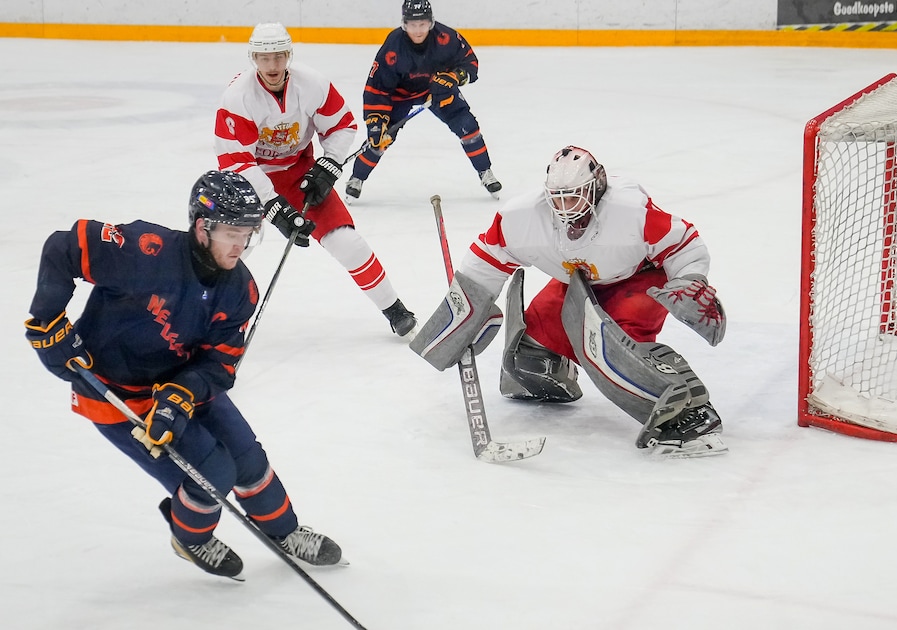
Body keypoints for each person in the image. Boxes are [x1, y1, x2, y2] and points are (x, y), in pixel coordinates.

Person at [23, 171, 345, 580]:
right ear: (201, 227)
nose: (240, 245)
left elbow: (221, 364)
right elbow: (63, 247)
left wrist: (183, 391)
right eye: (231, 232)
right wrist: (47, 319)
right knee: (212, 476)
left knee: (248, 458)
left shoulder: (239, 290)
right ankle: (190, 537)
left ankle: (285, 531)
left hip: (182, 385)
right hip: (115, 393)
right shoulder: (145, 251)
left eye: (248, 233)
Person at [410, 146, 729, 458]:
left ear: (598, 186)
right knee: (528, 355)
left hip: (639, 281)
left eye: (575, 195)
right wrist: (462, 317)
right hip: (579, 282)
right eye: (558, 197)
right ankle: (556, 372)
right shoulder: (522, 217)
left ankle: (689, 407)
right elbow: (484, 264)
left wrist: (689, 281)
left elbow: (684, 242)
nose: (566, 206)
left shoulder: (629, 211)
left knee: (614, 347)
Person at [215, 22, 417, 337]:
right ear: (253, 58)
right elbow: (236, 161)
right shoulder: (238, 97)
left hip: (299, 172)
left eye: (279, 56)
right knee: (226, 247)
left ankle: (395, 310)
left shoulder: (312, 84)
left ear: (289, 55)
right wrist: (272, 206)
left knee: (347, 242)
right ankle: (208, 318)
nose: (273, 65)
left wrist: (329, 164)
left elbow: (342, 125)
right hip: (247, 180)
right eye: (265, 58)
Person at [346, 0, 501, 201]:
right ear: (404, 24)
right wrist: (376, 120)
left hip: (437, 91)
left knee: (467, 126)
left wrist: (454, 77)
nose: (418, 30)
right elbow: (378, 88)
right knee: (380, 138)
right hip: (400, 95)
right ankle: (357, 178)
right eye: (412, 24)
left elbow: (470, 62)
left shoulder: (447, 37)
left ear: (431, 23)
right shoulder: (393, 46)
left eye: (422, 24)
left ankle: (485, 171)